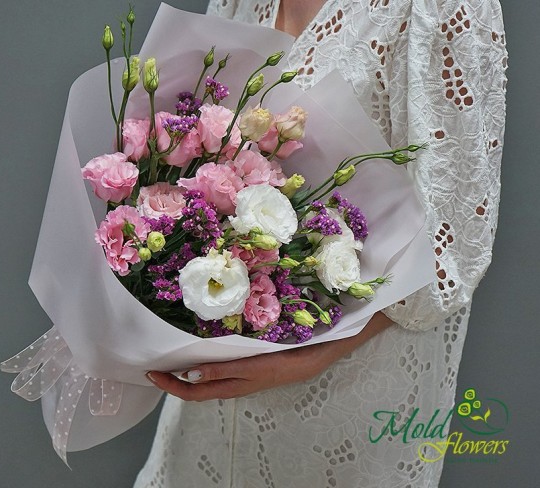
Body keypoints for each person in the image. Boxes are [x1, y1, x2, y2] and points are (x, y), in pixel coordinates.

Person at [135, 0, 507, 486]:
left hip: (352, 392)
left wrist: (310, 354)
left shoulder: (441, 8)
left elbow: (455, 242)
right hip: (220, 378)